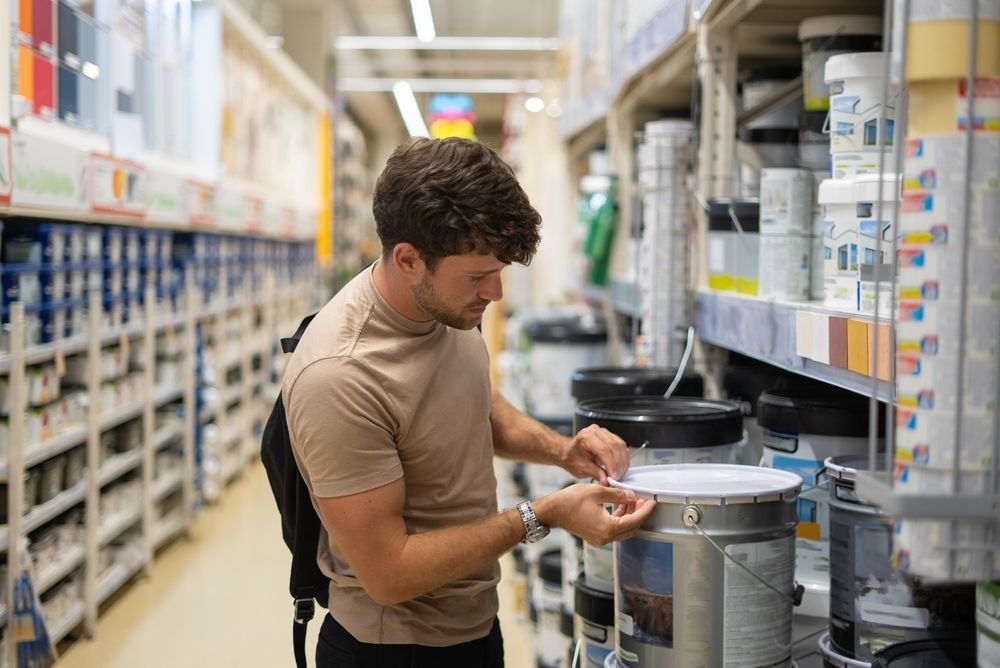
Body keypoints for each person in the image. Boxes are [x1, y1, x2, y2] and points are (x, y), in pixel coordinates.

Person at [282, 137, 655, 667]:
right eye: (479, 276)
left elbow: (474, 400)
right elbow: (390, 574)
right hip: (394, 649)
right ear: (409, 259)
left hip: (473, 627)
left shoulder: (444, 307)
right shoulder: (341, 375)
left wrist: (562, 451)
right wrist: (542, 513)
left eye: (499, 272)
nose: (495, 294)